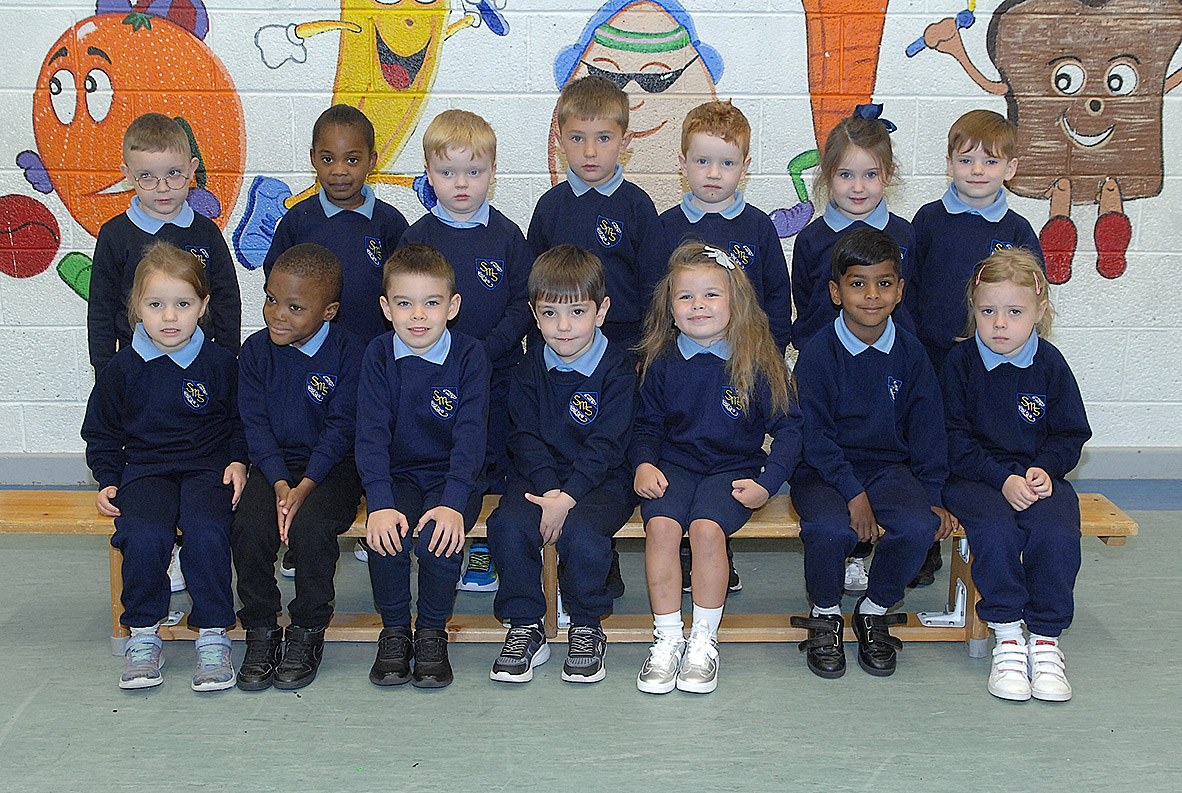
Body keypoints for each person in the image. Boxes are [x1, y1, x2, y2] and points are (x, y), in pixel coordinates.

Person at [632, 241, 801, 695]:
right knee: (662, 529)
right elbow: (646, 426)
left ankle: (704, 640)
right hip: (675, 467)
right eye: (685, 297)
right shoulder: (662, 360)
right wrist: (643, 464)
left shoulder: (758, 359)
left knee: (707, 531)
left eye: (711, 294)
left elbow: (789, 429)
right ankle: (668, 638)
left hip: (732, 469)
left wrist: (768, 484)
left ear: (735, 302)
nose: (698, 305)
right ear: (670, 308)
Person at [789, 228, 956, 680]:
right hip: (822, 471)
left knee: (918, 526)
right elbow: (814, 437)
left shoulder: (911, 353)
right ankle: (825, 613)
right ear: (836, 292)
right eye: (858, 283)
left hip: (886, 468)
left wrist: (933, 496)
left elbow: (928, 431)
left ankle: (874, 609)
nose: (871, 295)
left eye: (884, 283)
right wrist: (853, 494)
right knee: (828, 528)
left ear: (899, 291)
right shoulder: (819, 353)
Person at [81, 241, 247, 691]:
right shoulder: (121, 369)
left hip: (207, 468)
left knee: (207, 530)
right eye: (155, 305)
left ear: (203, 307)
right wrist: (108, 478)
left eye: (183, 304)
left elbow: (240, 421)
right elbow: (101, 431)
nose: (169, 317)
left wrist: (238, 460)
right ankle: (143, 633)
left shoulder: (220, 363)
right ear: (136, 307)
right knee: (143, 534)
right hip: (145, 469)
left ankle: (212, 632)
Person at [88, 112, 242, 593]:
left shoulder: (206, 233)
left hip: (198, 365)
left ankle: (192, 552)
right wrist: (105, 367)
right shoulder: (115, 235)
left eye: (173, 174)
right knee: (150, 465)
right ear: (127, 175)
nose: (161, 187)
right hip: (142, 367)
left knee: (198, 475)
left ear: (192, 170)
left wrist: (225, 358)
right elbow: (101, 307)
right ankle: (161, 548)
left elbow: (227, 297)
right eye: (147, 177)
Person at [528, 73, 669, 596]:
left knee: (615, 449)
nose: (590, 151)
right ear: (560, 140)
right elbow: (533, 289)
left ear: (625, 142)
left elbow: (655, 288)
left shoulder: (636, 206)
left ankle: (600, 551)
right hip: (562, 349)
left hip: (624, 351)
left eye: (604, 138)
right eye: (578, 138)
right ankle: (572, 548)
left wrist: (648, 353)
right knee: (566, 440)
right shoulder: (551, 207)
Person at [941, 248, 1090, 702]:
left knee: (1056, 531)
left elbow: (1069, 433)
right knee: (997, 532)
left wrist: (1045, 469)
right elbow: (951, 438)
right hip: (975, 478)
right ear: (973, 310)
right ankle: (1007, 636)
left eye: (1015, 312)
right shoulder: (959, 363)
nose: (1000, 324)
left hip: (1037, 476)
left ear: (1039, 312)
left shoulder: (1051, 364)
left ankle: (1044, 640)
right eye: (988, 311)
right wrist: (1000, 479)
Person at [485, 245, 637, 685]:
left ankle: (587, 625)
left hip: (603, 479)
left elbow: (608, 444)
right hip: (540, 477)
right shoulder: (528, 366)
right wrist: (551, 491)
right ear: (534, 316)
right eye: (550, 313)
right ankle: (525, 625)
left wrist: (567, 498)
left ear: (601, 311)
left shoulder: (619, 369)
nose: (564, 326)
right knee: (508, 526)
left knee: (583, 533)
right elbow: (524, 436)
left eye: (577, 312)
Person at [659, 99, 793, 595]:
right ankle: (688, 552)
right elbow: (657, 303)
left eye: (727, 162)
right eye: (702, 161)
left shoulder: (757, 227)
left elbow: (777, 299)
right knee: (683, 452)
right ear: (682, 163)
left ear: (745, 166)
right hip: (686, 367)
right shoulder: (666, 226)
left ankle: (717, 550)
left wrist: (763, 357)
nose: (713, 173)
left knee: (728, 462)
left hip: (741, 366)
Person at [908, 109, 1044, 588]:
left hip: (990, 366)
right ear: (949, 164)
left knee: (976, 447)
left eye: (991, 161)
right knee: (925, 450)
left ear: (1011, 168)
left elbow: (1031, 299)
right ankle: (922, 546)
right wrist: (912, 350)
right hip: (931, 360)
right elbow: (909, 289)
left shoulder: (1018, 230)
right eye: (966, 160)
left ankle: (994, 529)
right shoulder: (928, 220)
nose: (977, 170)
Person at [400, 109, 532, 593]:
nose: (461, 183)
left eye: (473, 172)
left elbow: (523, 302)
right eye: (447, 172)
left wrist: (486, 350)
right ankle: (443, 534)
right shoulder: (417, 238)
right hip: (433, 379)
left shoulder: (507, 235)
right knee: (448, 458)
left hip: (498, 373)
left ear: (492, 173)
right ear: (428, 173)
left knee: (494, 458)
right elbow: (402, 306)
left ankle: (482, 548)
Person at [354, 243, 490, 689]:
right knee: (387, 536)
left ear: (452, 306)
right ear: (385, 308)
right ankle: (395, 631)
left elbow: (471, 438)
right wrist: (379, 502)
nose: (418, 315)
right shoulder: (377, 354)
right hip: (396, 475)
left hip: (455, 476)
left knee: (438, 540)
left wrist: (452, 503)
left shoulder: (470, 355)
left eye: (431, 303)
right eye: (404, 303)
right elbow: (370, 436)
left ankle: (431, 632)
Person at [231, 244, 364, 691]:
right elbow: (254, 424)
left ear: (329, 312)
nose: (277, 315)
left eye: (294, 307)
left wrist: (304, 486)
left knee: (311, 529)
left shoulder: (350, 352)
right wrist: (278, 482)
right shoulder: (255, 352)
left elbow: (342, 427)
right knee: (249, 527)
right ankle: (261, 627)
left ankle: (307, 629)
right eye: (271, 299)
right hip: (273, 466)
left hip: (333, 468)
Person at [263, 104, 409, 344]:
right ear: (313, 158)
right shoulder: (298, 220)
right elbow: (275, 279)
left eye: (352, 160)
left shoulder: (390, 223)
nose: (339, 171)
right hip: (312, 347)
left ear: (371, 161)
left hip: (374, 345)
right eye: (328, 159)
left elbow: (409, 287)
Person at [791, 104, 914, 347]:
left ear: (889, 174)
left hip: (889, 356)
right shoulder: (810, 239)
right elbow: (805, 304)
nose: (858, 187)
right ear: (828, 174)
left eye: (871, 174)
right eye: (846, 175)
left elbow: (910, 298)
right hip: (823, 357)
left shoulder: (904, 234)